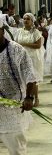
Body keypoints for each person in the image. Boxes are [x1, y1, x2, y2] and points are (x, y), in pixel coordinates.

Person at [0, 19, 38, 155]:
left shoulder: (17, 50)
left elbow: (30, 76)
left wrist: (29, 97)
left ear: (2, 31)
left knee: (16, 148)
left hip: (13, 106)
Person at [14, 13, 44, 107]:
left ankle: (36, 98)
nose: (25, 21)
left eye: (28, 19)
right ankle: (25, 98)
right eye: (24, 19)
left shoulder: (35, 32)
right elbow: (15, 43)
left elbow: (38, 45)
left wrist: (24, 44)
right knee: (23, 78)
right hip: (21, 57)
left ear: (32, 21)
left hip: (32, 58)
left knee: (33, 79)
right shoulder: (19, 31)